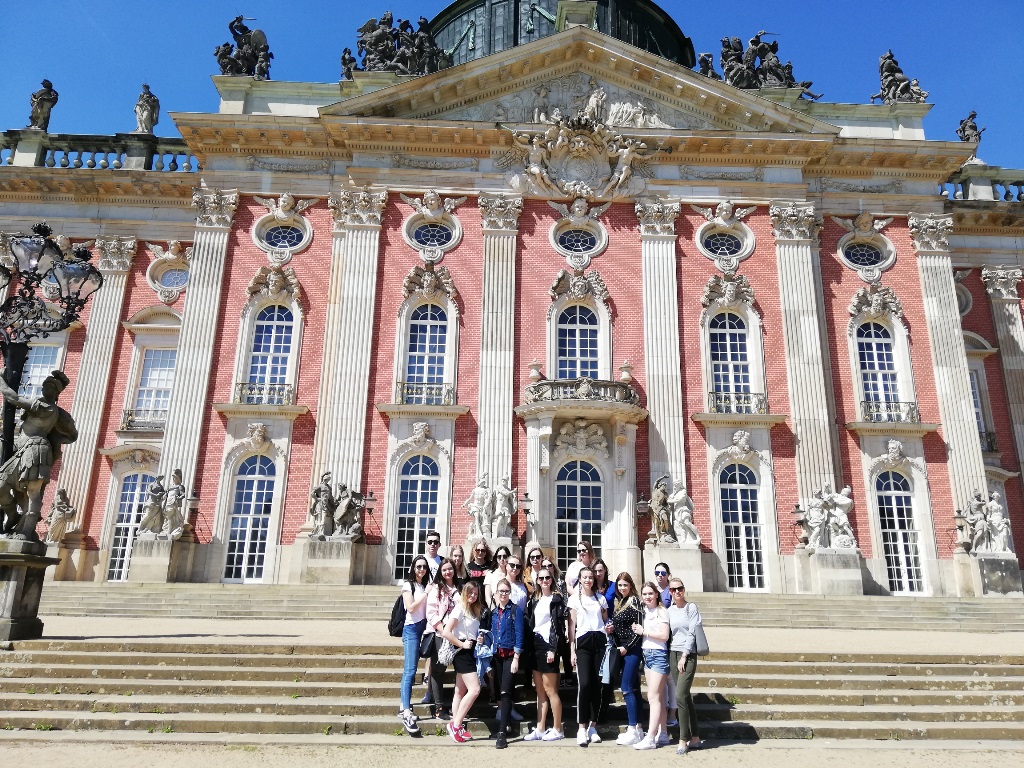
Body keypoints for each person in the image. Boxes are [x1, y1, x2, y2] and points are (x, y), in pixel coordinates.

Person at [568, 566, 610, 747]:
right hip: (583, 643)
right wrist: (572, 650)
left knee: (597, 685)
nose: (588, 580)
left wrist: (609, 627)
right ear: (580, 579)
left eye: (590, 577)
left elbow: (606, 620)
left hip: (599, 641)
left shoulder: (601, 598)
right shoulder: (574, 599)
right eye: (584, 577)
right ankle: (581, 727)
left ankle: (593, 726)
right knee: (584, 684)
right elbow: (571, 627)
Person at [441, 579, 486, 743]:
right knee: (475, 689)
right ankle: (456, 725)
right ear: (464, 593)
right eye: (470, 593)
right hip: (462, 652)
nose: (473, 596)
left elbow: (471, 631)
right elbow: (446, 632)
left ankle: (457, 725)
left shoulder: (473, 610)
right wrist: (461, 644)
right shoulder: (459, 609)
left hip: (470, 651)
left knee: (460, 691)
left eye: (476, 593)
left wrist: (477, 639)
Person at [524, 566, 565, 741]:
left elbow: (558, 628)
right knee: (540, 690)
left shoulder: (556, 600)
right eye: (541, 578)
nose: (544, 581)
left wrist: (553, 649)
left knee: (550, 690)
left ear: (552, 579)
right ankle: (540, 728)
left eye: (547, 578)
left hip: (549, 645)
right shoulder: (535, 599)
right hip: (536, 645)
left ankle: (557, 728)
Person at [631, 582, 671, 750]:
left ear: (656, 594)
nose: (647, 597)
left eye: (650, 593)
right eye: (645, 594)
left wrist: (644, 632)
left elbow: (664, 635)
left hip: (658, 654)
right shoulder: (644, 611)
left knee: (653, 697)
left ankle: (650, 737)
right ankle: (663, 733)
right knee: (658, 697)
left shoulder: (661, 611)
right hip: (647, 654)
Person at [668, 578, 703, 754]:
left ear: (684, 589)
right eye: (673, 589)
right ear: (670, 592)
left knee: (680, 696)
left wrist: (684, 655)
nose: (677, 592)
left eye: (679, 588)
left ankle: (683, 738)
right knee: (686, 697)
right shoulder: (669, 611)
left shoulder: (691, 608)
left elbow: (692, 632)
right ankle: (695, 738)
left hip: (687, 655)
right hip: (673, 653)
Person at [490, 578, 525, 749]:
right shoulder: (494, 612)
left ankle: (502, 732)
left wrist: (516, 658)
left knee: (506, 692)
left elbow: (519, 634)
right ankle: (507, 724)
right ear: (496, 593)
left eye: (506, 591)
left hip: (510, 655)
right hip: (496, 655)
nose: (503, 594)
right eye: (501, 591)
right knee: (498, 692)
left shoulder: (515, 610)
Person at [610, 572, 645, 745]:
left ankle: (632, 729)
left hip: (632, 650)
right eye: (620, 585)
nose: (622, 587)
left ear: (631, 585)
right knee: (634, 688)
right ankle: (638, 728)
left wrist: (627, 647)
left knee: (627, 688)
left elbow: (639, 630)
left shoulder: (635, 601)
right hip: (622, 648)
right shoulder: (621, 602)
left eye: (625, 584)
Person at [398, 555, 430, 735]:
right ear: (413, 568)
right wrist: (426, 594)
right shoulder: (408, 585)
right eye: (418, 567)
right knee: (409, 670)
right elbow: (410, 608)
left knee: (413, 669)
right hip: (411, 629)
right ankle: (405, 708)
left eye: (424, 567)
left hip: (423, 628)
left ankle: (404, 705)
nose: (421, 570)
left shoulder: (424, 586)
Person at [425, 558, 459, 719]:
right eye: (444, 570)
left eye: (450, 569)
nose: (447, 572)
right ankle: (439, 707)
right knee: (438, 671)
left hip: (458, 635)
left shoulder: (460, 588)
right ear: (440, 572)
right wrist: (443, 630)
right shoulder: (436, 589)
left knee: (461, 671)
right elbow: (431, 613)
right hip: (440, 634)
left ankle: (456, 706)